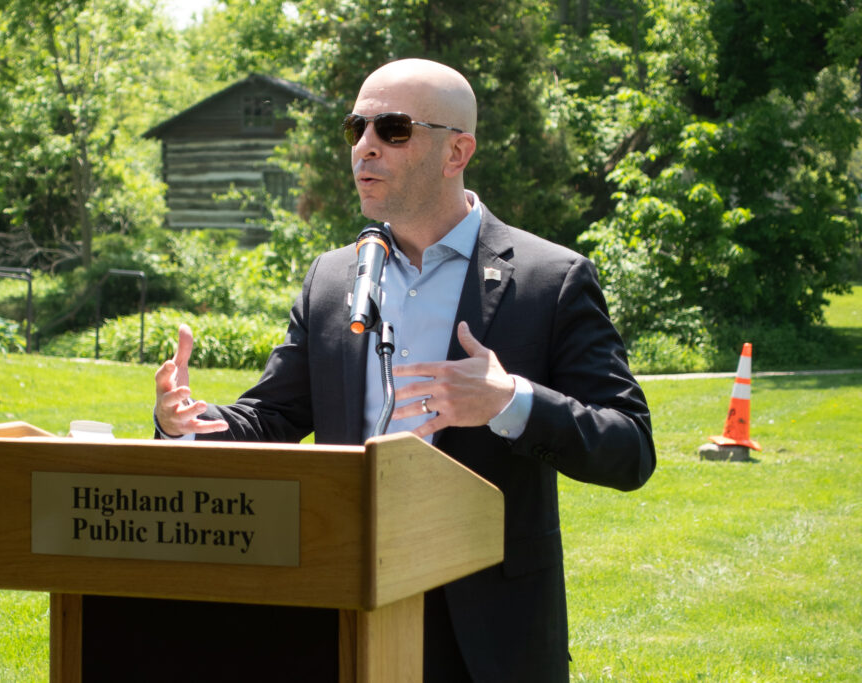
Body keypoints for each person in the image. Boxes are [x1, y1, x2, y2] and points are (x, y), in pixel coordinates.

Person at [153, 58, 655, 682]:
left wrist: (511, 403)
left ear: (456, 152)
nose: (365, 146)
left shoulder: (549, 280)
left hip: (486, 628)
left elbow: (630, 447)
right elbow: (274, 416)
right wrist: (189, 422)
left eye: (392, 129)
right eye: (355, 128)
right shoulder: (332, 279)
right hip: (344, 600)